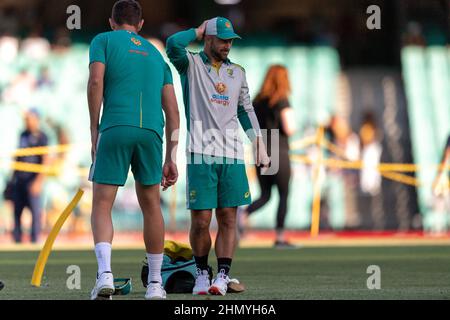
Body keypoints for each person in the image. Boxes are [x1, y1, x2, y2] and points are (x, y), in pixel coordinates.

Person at [166, 17, 270, 296]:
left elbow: (245, 110)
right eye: (222, 39)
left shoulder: (238, 71)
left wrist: (259, 142)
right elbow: (172, 44)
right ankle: (201, 273)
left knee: (228, 218)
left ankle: (222, 275)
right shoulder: (190, 64)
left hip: (233, 154)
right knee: (200, 220)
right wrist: (198, 30)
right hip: (200, 153)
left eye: (230, 40)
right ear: (208, 38)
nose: (227, 45)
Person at [87, 0, 179, 300]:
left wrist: (94, 128)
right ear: (139, 25)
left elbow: (96, 79)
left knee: (102, 203)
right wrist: (171, 156)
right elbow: (174, 111)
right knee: (151, 204)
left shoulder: (102, 40)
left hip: (115, 125)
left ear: (112, 22)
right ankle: (155, 285)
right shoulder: (156, 54)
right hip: (152, 130)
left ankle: (105, 276)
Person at [238, 65, 297, 248]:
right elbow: (289, 128)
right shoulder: (282, 101)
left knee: (265, 194)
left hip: (260, 150)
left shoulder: (257, 100)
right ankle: (279, 237)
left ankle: (243, 214)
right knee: (283, 193)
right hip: (278, 150)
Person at [11, 108, 48, 244]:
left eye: (29, 119)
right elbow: (18, 158)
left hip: (32, 181)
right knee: (17, 212)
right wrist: (12, 179)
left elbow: (46, 160)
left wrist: (38, 182)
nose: (27, 122)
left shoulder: (42, 137)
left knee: (35, 213)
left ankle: (34, 241)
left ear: (36, 120)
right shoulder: (22, 135)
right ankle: (17, 240)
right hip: (19, 181)